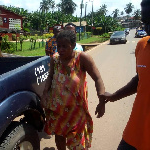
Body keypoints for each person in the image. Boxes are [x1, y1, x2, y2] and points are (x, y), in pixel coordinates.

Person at [41, 30, 106, 150]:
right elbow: (50, 76)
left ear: (73, 45)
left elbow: (97, 78)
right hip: (57, 109)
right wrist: (45, 94)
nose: (60, 49)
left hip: (76, 111)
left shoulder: (82, 58)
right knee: (59, 136)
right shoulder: (55, 59)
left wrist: (102, 101)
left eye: (64, 46)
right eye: (58, 46)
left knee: (77, 142)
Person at [102, 0, 150, 149]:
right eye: (145, 22)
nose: (148, 28)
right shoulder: (142, 45)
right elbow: (140, 79)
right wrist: (114, 96)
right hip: (136, 130)